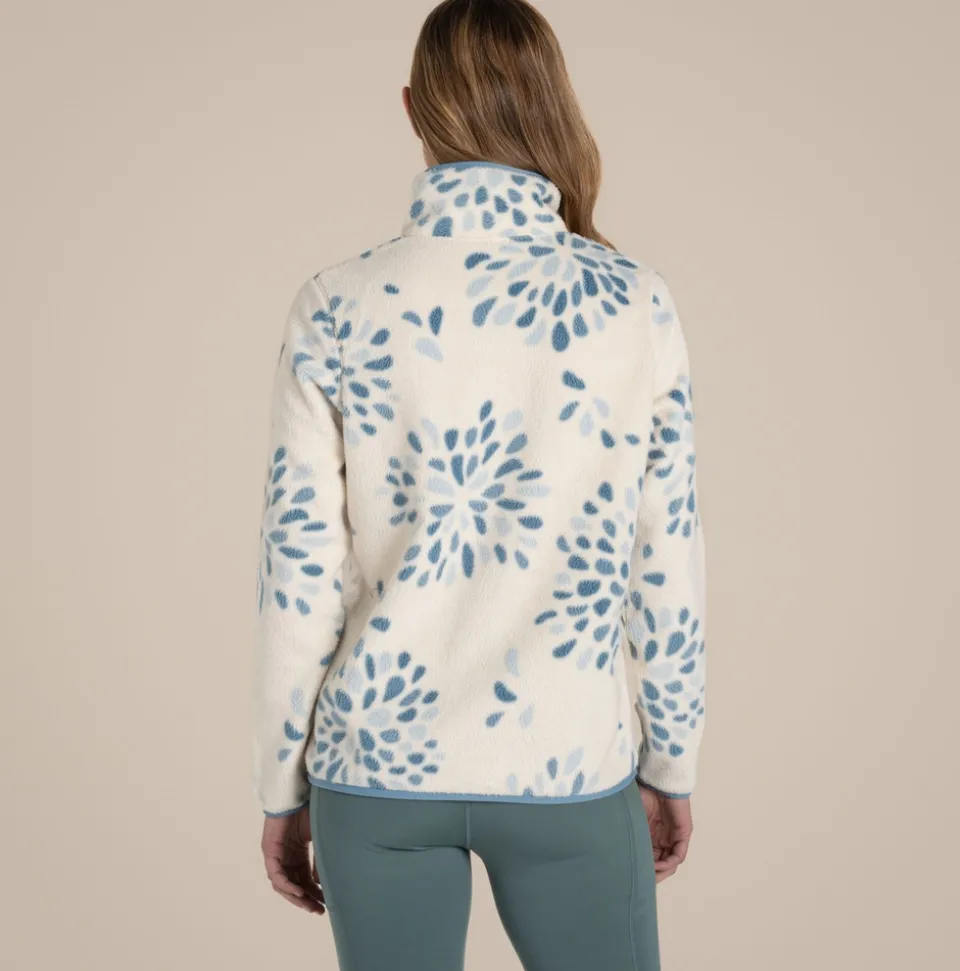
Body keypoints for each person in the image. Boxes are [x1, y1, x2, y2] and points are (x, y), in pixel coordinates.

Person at [251, 1, 707, 968]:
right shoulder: (635, 303)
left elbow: (299, 575)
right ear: (552, 105)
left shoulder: (336, 304)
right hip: (568, 764)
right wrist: (671, 759)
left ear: (412, 108)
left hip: (375, 768)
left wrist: (281, 786)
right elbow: (665, 559)